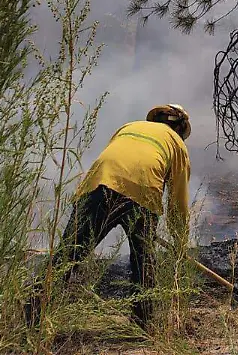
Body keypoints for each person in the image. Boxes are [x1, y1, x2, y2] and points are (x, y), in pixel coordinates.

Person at [26, 104, 192, 331]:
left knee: (70, 252)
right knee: (143, 260)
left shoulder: (129, 127)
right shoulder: (177, 144)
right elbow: (178, 201)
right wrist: (180, 240)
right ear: (180, 129)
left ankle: (32, 310)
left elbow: (114, 159)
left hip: (99, 184)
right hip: (142, 191)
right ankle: (142, 324)